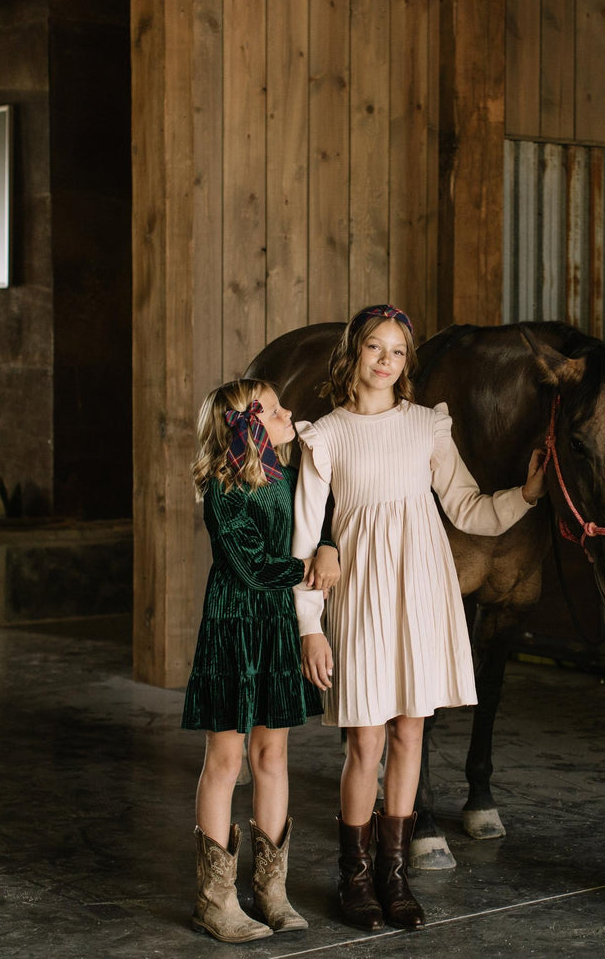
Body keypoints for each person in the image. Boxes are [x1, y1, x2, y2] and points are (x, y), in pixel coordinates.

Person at [290, 304, 546, 932]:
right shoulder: (324, 436)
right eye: (375, 347)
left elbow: (467, 507)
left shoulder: (427, 426)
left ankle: (393, 874)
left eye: (399, 351)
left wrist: (528, 495)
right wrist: (310, 627)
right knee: (366, 741)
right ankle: (353, 878)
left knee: (410, 733)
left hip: (423, 590)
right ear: (353, 353)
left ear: (407, 362)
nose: (386, 360)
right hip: (361, 594)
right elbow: (303, 543)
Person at [182, 378, 339, 943]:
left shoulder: (290, 477)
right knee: (226, 760)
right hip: (233, 627)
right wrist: (306, 572)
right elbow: (250, 567)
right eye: (275, 411)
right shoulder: (223, 491)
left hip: (275, 629)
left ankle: (272, 890)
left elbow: (317, 520)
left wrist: (327, 545)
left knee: (272, 753)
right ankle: (215, 897)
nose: (289, 414)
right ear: (248, 427)